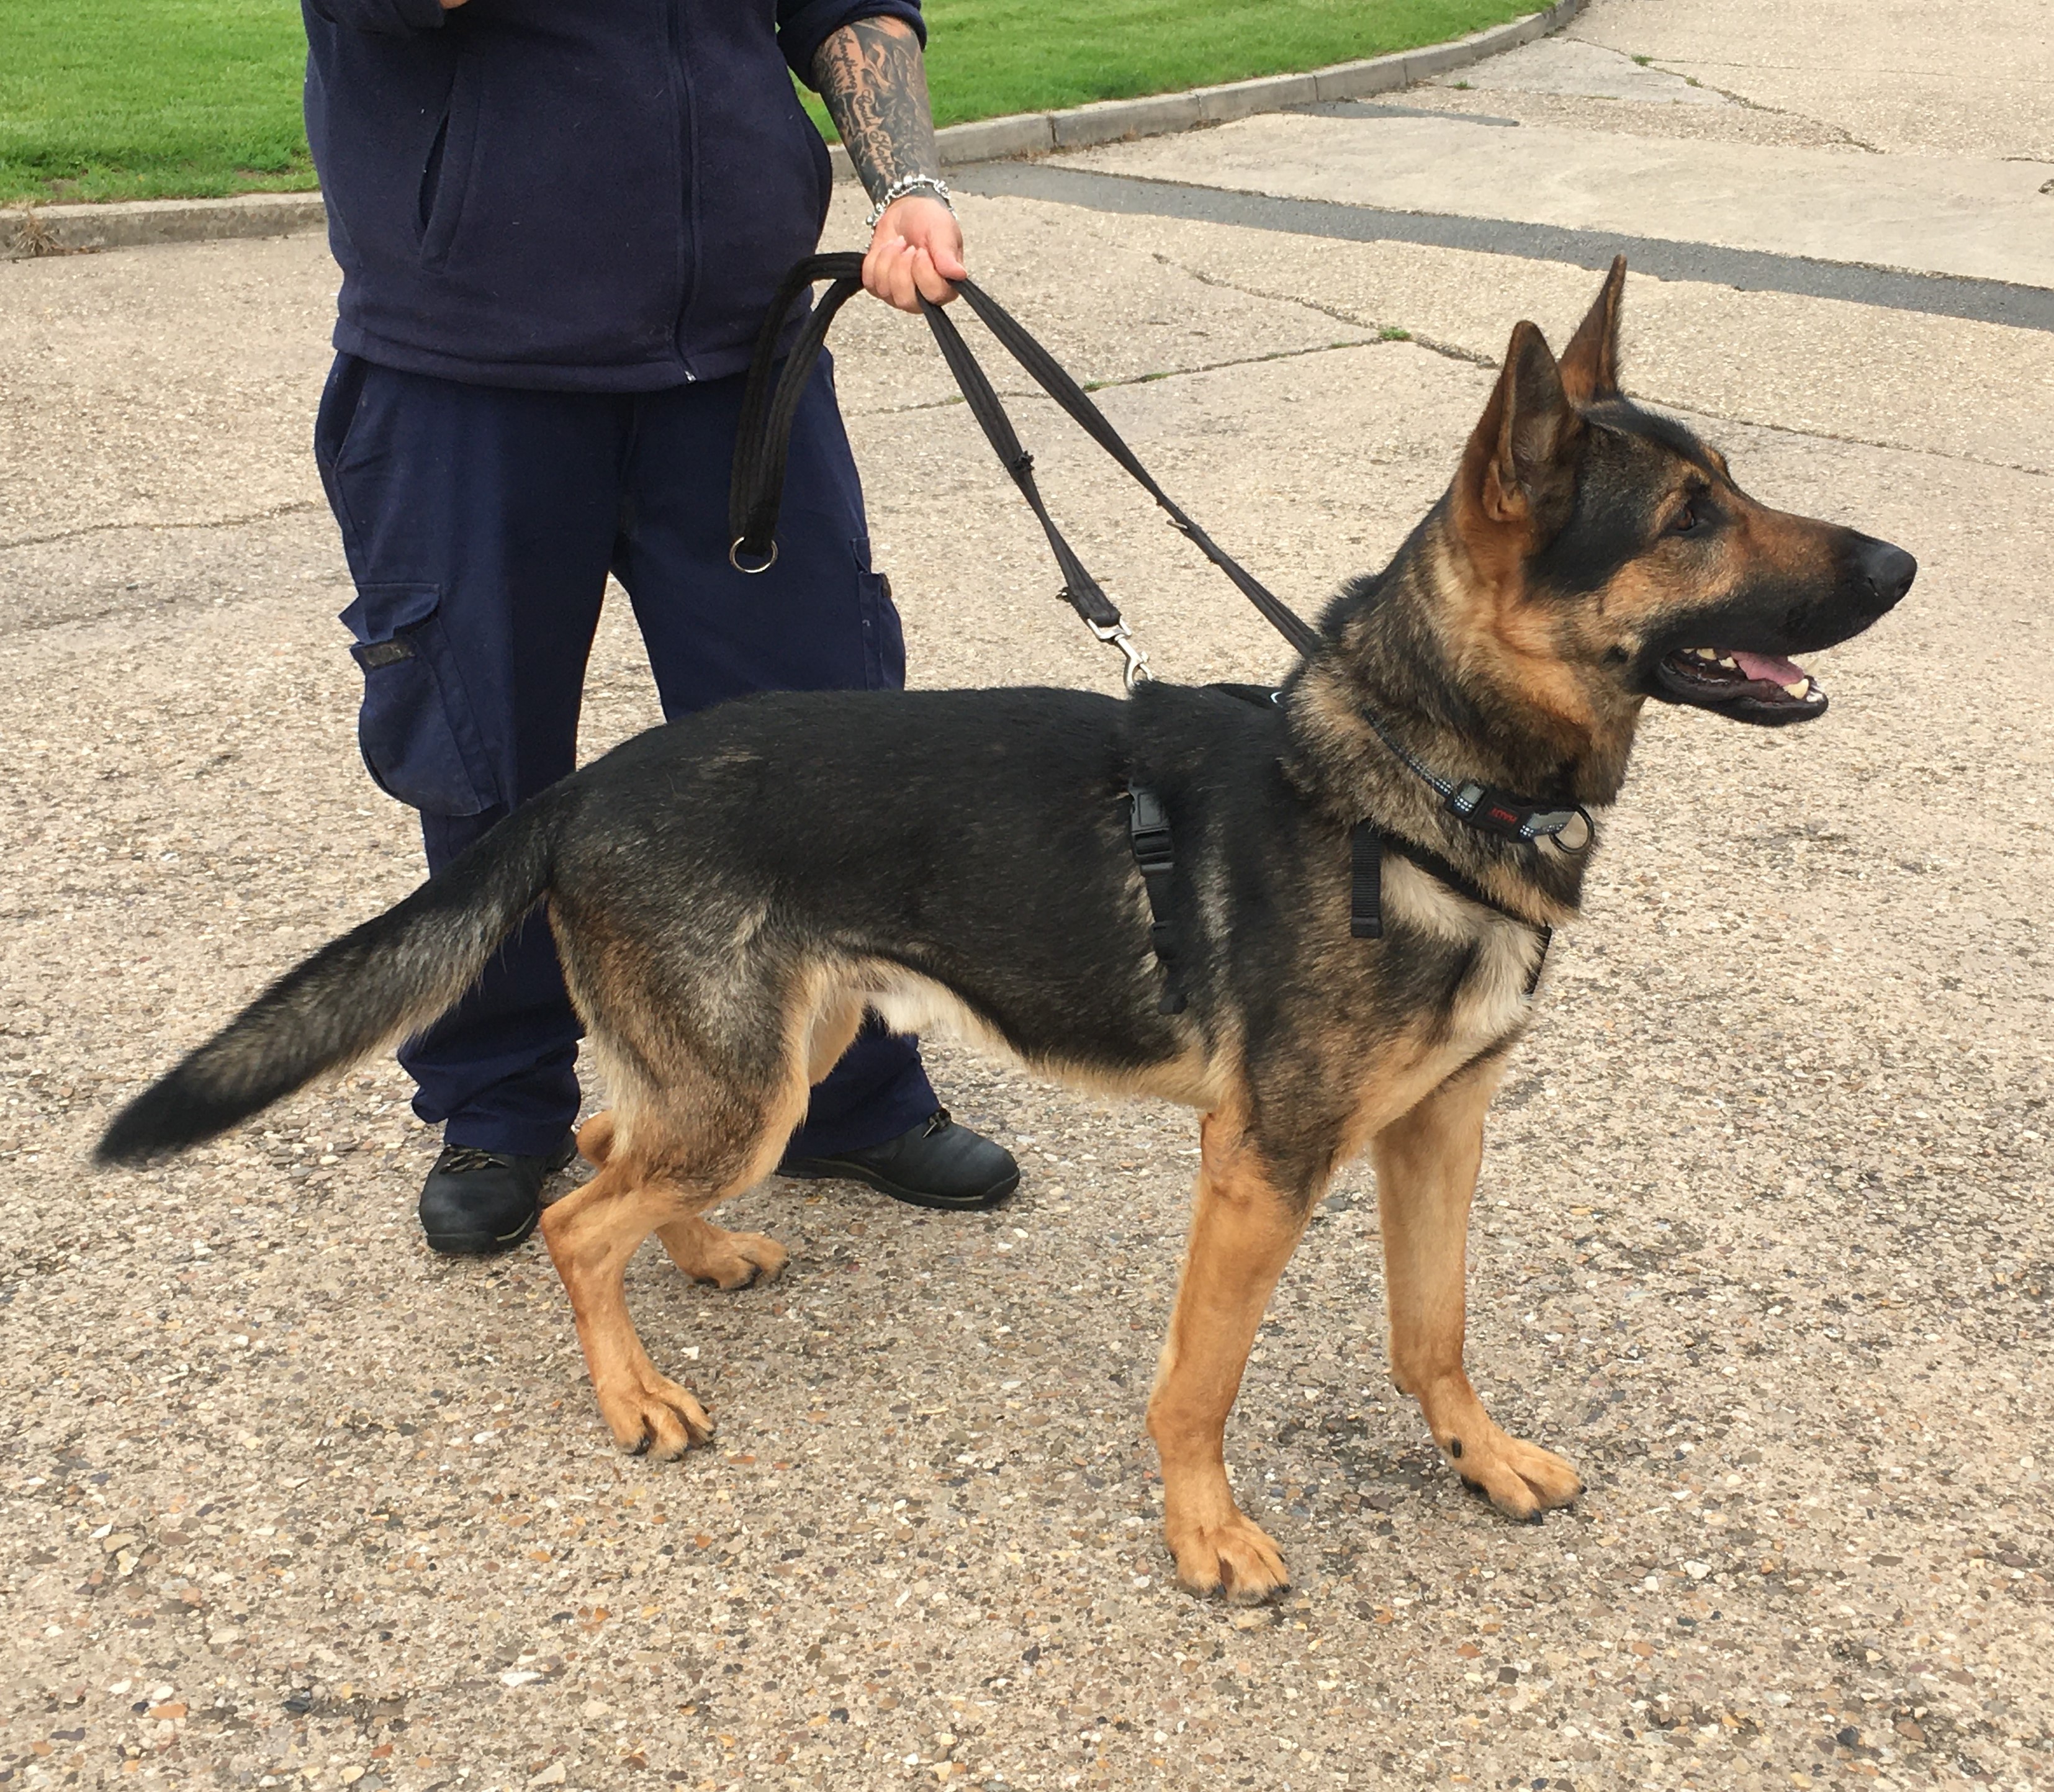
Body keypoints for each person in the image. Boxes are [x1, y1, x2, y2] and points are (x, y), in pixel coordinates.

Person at [301, 0, 1019, 1254]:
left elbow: (844, 8)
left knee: (828, 755)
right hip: (467, 367)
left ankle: (842, 1091)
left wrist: (905, 181)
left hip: (741, 358)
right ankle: (500, 1108)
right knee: (485, 765)